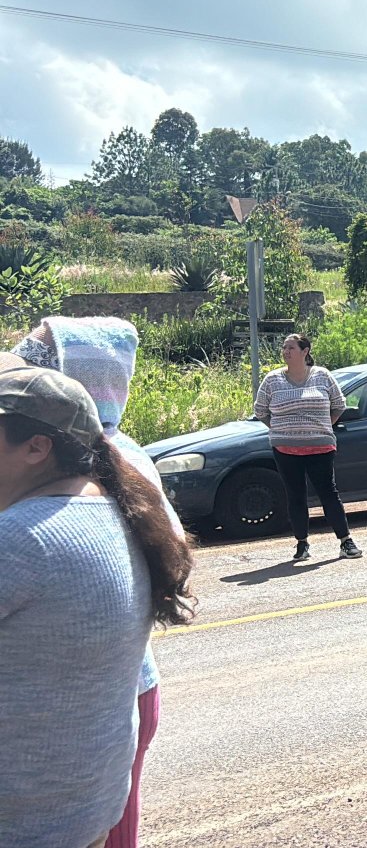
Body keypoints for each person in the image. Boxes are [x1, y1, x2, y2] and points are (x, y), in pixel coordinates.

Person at [0, 355, 195, 848]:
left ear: (37, 447)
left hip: (24, 819)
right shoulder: (114, 513)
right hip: (82, 808)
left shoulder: (22, 539)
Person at [253, 333, 356, 563]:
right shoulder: (272, 380)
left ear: (305, 351)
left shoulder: (322, 376)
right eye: (284, 348)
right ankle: (302, 544)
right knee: (296, 496)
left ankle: (346, 541)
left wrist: (322, 426)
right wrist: (279, 430)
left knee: (328, 494)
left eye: (291, 347)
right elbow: (260, 410)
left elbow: (339, 404)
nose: (286, 351)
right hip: (286, 450)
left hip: (321, 447)